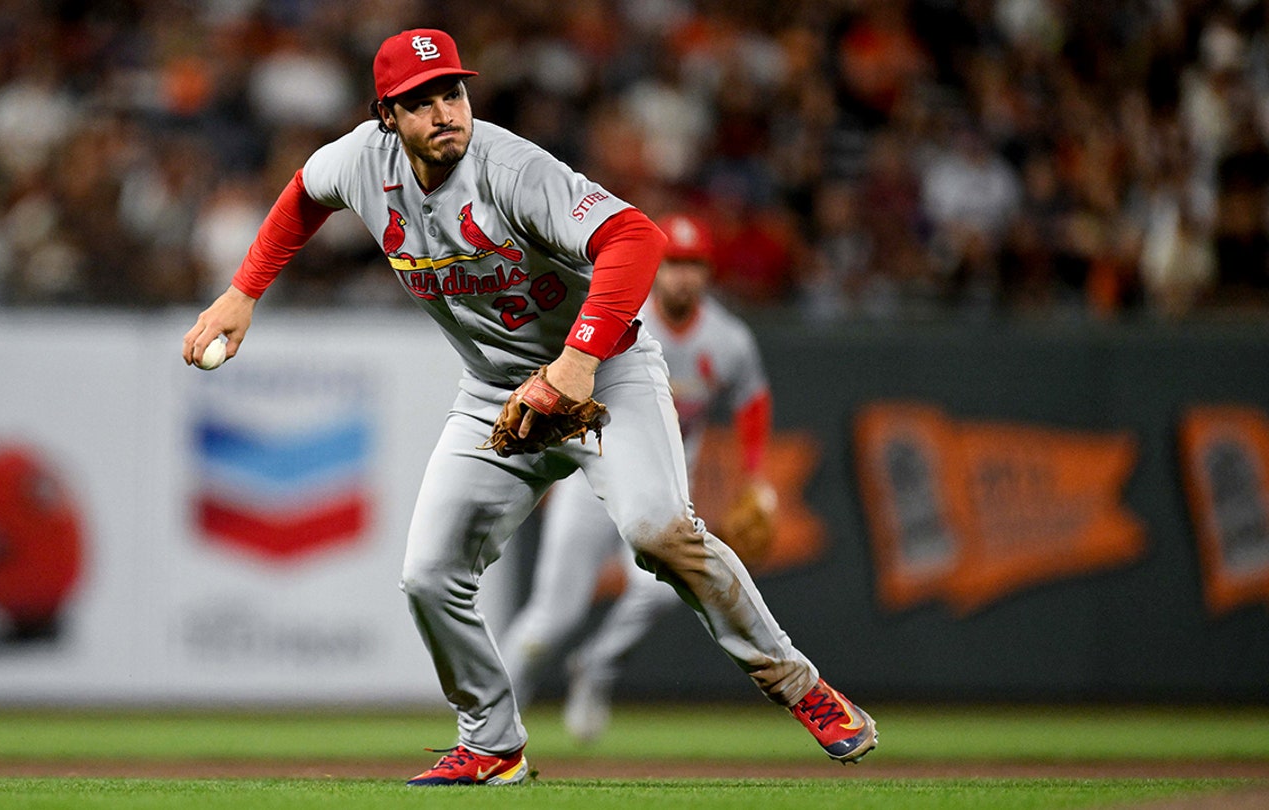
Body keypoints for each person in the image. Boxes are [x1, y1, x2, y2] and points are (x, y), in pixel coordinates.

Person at [182, 29, 877, 787]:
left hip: (606, 373)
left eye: (453, 92)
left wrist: (576, 364)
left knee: (659, 533)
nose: (445, 112)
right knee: (429, 574)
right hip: (494, 392)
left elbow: (634, 239)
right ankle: (491, 742)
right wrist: (243, 292)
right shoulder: (358, 162)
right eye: (421, 101)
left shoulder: (510, 168)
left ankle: (802, 688)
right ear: (386, 116)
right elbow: (301, 195)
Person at [498, 213, 780, 743]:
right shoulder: (622, 316)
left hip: (660, 484)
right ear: (655, 265)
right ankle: (491, 719)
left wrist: (754, 477)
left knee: (661, 590)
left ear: (708, 272)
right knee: (553, 618)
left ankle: (597, 665)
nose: (683, 276)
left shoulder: (728, 339)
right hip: (590, 475)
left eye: (694, 264)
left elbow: (753, 400)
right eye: (674, 263)